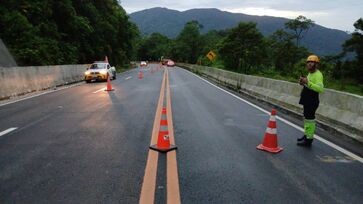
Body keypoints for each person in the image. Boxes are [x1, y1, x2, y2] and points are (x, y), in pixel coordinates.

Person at [297, 55, 324, 146]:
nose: (309, 64)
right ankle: (306, 135)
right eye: (308, 62)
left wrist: (307, 82)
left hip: (312, 100)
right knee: (306, 118)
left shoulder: (318, 75)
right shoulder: (310, 73)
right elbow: (309, 85)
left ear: (316, 64)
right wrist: (302, 82)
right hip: (307, 98)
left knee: (310, 120)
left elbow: (320, 89)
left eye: (312, 62)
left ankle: (309, 140)